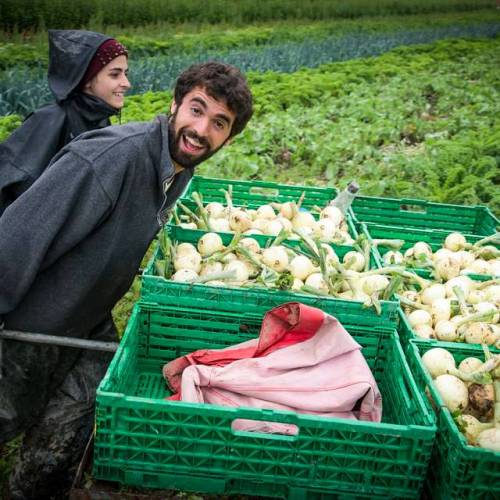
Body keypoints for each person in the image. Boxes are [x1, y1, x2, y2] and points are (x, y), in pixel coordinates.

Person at [0, 60, 253, 499]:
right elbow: (18, 236)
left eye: (218, 123)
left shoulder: (174, 169)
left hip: (84, 317)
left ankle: (33, 487)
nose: (201, 129)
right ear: (174, 104)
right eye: (196, 109)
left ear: (228, 136)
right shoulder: (111, 157)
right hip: (32, 323)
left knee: (74, 419)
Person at [0, 29, 130, 215]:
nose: (126, 83)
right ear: (86, 79)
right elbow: (16, 186)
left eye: (126, 73)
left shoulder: (97, 118)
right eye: (115, 74)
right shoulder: (51, 120)